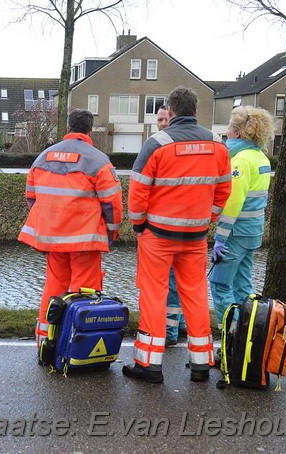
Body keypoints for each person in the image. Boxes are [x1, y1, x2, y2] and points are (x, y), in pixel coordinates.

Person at [124, 86, 231, 384]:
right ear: (195, 110)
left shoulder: (157, 144)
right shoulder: (217, 145)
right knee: (196, 294)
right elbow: (223, 191)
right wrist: (206, 219)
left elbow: (138, 191)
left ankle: (150, 365)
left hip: (157, 235)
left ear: (170, 112)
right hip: (195, 236)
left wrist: (139, 224)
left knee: (154, 294)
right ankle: (200, 363)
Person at [18, 108, 123, 351]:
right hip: (85, 240)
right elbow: (112, 203)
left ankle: (45, 341)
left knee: (53, 288)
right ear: (89, 131)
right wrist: (111, 233)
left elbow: (31, 198)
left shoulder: (43, 157)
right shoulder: (98, 160)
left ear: (68, 128)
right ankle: (76, 345)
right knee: (83, 293)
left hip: (52, 238)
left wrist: (48, 223)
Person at [209, 106, 274, 346]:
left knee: (219, 284)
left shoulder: (240, 161)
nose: (226, 134)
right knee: (243, 287)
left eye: (228, 128)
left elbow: (232, 203)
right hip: (252, 233)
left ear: (237, 132)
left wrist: (221, 238)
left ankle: (231, 339)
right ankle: (248, 338)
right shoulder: (260, 157)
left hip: (236, 234)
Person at [157, 105, 187, 347]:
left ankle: (170, 330)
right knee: (179, 281)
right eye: (159, 119)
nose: (162, 123)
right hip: (185, 225)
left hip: (169, 226)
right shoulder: (157, 143)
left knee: (171, 282)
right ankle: (183, 324)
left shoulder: (171, 147)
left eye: (165, 119)